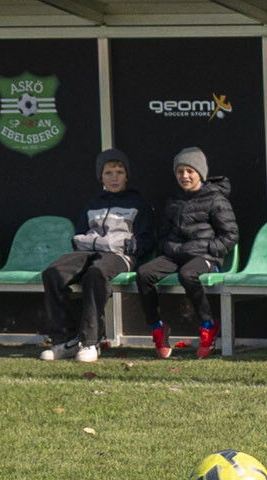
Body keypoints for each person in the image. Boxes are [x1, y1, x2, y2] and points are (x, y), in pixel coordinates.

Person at [40, 148, 148, 363]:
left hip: (118, 255)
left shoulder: (138, 203)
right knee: (52, 274)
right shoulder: (93, 203)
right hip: (87, 251)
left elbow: (146, 239)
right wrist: (86, 243)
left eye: (119, 172)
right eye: (108, 173)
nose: (114, 177)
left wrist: (130, 246)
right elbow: (79, 233)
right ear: (101, 177)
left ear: (127, 176)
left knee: (95, 274)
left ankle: (90, 341)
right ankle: (66, 340)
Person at [135, 146, 238, 359]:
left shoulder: (216, 199)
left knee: (187, 274)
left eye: (190, 171)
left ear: (200, 173)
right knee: (144, 273)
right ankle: (157, 327)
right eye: (180, 171)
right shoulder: (174, 200)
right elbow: (163, 233)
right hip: (175, 255)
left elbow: (230, 234)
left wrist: (210, 250)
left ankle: (208, 325)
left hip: (204, 257)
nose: (185, 176)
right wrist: (169, 248)